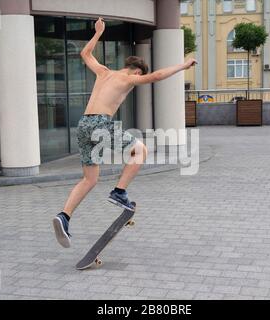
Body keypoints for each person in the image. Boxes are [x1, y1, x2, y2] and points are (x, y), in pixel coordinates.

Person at [53, 17, 197, 248]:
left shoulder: (103, 72)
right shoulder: (129, 78)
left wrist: (98, 32)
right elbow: (157, 76)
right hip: (100, 123)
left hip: (83, 125)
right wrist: (183, 65)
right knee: (140, 149)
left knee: (89, 179)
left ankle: (64, 216)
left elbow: (85, 54)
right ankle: (119, 192)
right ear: (137, 73)